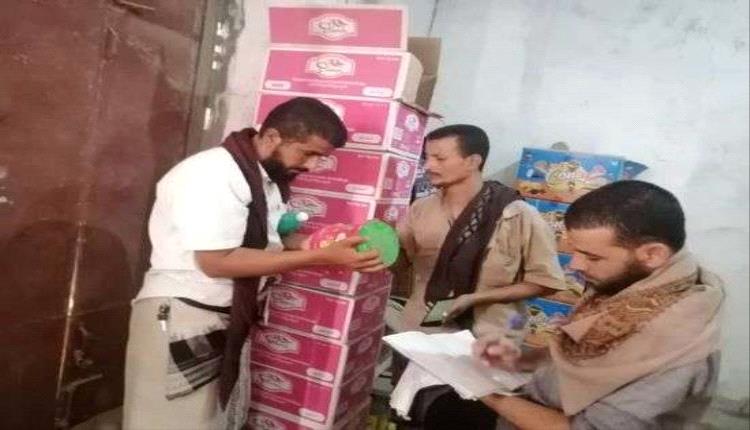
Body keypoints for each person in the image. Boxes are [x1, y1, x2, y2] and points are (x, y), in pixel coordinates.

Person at [122, 97, 384, 430]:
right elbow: (217, 262)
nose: (314, 166)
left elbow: (267, 238)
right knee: (170, 423)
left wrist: (322, 243)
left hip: (222, 315)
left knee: (204, 420)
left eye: (322, 158)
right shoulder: (213, 175)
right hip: (183, 315)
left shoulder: (264, 178)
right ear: (272, 136)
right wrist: (321, 257)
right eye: (307, 153)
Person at [473, 180, 724, 430]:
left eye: (592, 257)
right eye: (575, 252)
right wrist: (520, 361)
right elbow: (582, 355)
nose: (575, 265)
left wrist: (484, 391)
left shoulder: (675, 344)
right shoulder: (632, 287)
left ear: (652, 254)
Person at [391, 124, 566, 429]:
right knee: (413, 413)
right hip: (422, 333)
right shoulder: (421, 209)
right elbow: (402, 264)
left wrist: (475, 298)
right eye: (426, 157)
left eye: (440, 158)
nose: (429, 166)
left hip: (487, 339)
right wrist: (379, 247)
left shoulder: (515, 214)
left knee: (466, 418)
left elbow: (545, 282)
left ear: (473, 161)